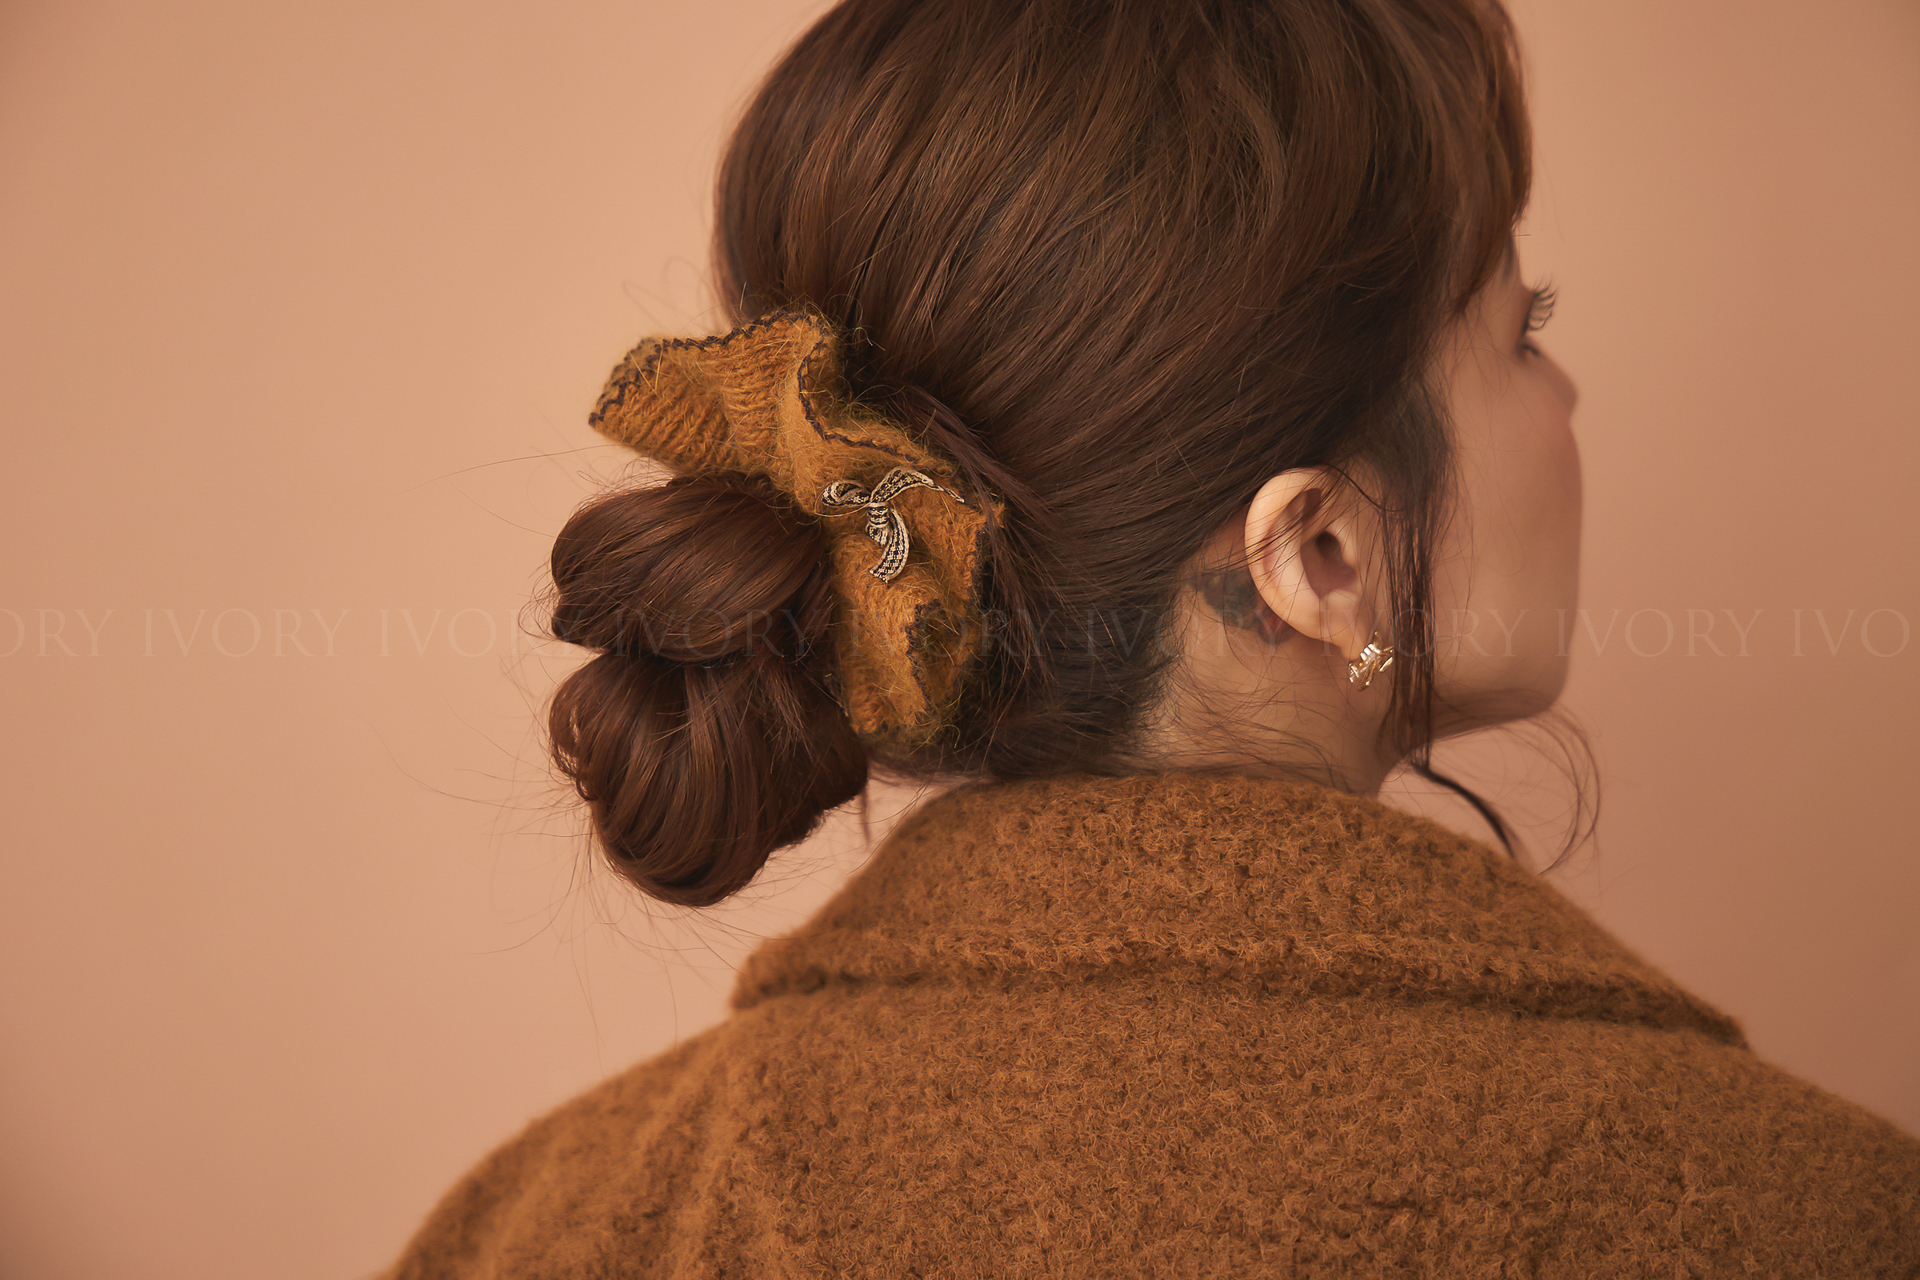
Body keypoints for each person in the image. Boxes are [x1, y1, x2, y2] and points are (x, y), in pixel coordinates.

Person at [376, 0, 1920, 1274]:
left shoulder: (542, 1228)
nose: (1566, 396)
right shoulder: (1805, 1220)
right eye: (1525, 333)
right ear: (1320, 555)